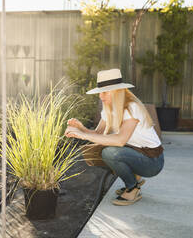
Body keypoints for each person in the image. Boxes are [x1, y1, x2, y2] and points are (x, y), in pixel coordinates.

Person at [65, 68, 164, 206]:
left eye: (105, 92)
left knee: (109, 152)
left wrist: (82, 135)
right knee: (100, 151)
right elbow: (99, 134)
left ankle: (133, 187)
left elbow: (120, 140)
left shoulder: (131, 108)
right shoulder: (109, 108)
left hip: (153, 161)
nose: (101, 96)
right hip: (136, 153)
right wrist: (81, 129)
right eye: (100, 92)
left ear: (117, 91)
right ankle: (134, 177)